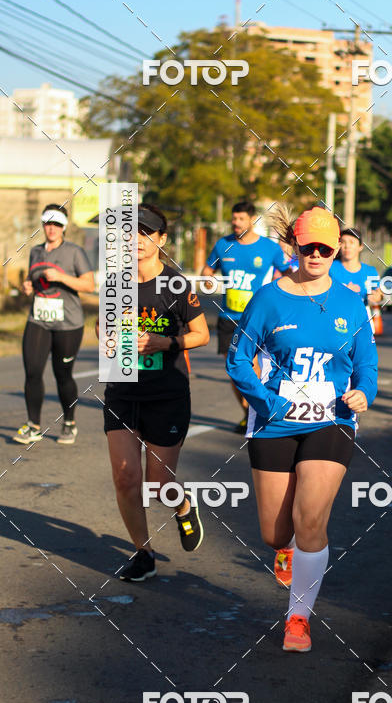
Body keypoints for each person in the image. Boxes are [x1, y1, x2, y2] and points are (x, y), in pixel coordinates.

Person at [226, 206, 378, 653]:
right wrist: (268, 402)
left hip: (331, 420)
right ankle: (287, 546)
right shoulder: (268, 298)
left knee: (311, 518)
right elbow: (238, 360)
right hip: (274, 422)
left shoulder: (351, 302)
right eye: (307, 246)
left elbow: (366, 361)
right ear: (294, 247)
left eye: (324, 248)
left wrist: (364, 391)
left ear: (335, 251)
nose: (315, 254)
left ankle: (298, 617)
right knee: (276, 533)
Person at [101, 204, 210, 582]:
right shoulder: (115, 283)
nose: (137, 241)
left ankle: (181, 506)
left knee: (158, 485)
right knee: (125, 477)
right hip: (122, 390)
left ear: (161, 240)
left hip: (167, 394)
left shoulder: (176, 285)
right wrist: (109, 338)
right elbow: (102, 327)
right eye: (131, 233)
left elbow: (202, 334)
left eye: (146, 233)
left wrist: (166, 342)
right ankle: (143, 552)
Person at [202, 201, 290, 433]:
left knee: (253, 367)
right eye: (234, 219)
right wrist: (208, 280)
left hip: (258, 318)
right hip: (228, 317)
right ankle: (248, 412)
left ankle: (259, 411)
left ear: (252, 220)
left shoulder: (269, 248)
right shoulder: (223, 245)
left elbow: (289, 271)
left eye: (241, 219)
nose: (236, 223)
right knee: (233, 369)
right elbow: (207, 270)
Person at [14, 204, 95, 446]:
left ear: (64, 227)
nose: (52, 228)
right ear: (43, 225)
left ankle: (69, 422)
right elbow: (32, 280)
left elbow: (89, 285)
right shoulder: (36, 252)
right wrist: (27, 287)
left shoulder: (74, 252)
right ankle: (33, 426)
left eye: (57, 224)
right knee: (32, 371)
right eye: (48, 223)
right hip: (38, 319)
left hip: (68, 324)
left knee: (63, 375)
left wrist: (61, 277)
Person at [329, 227, 382, 328]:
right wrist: (344, 292)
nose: (347, 246)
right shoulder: (330, 268)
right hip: (336, 320)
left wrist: (378, 297)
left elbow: (378, 294)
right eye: (343, 242)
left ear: (360, 246)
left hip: (362, 321)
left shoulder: (370, 271)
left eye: (351, 242)